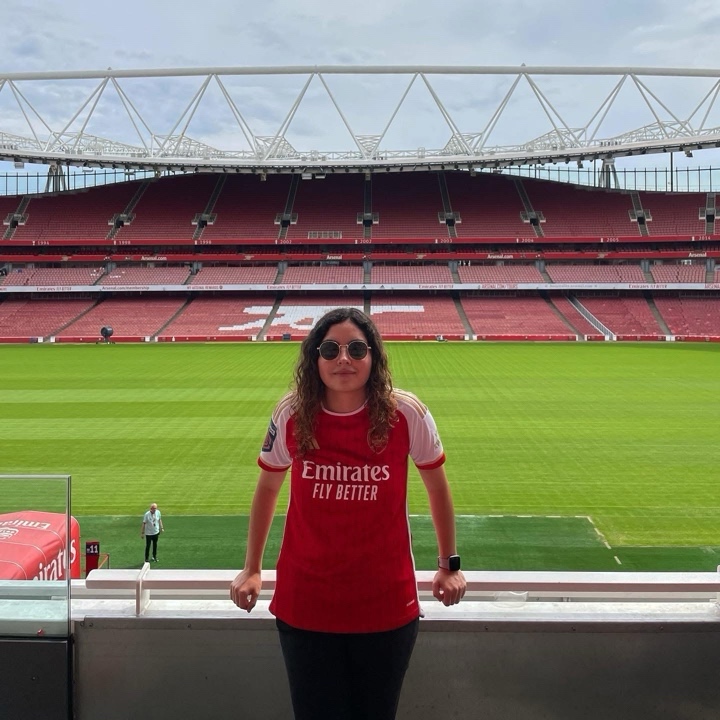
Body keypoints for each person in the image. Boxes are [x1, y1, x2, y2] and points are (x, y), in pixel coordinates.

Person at [230, 307, 466, 720]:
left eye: (357, 348)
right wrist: (252, 569)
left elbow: (438, 487)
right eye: (330, 349)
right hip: (305, 606)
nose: (344, 359)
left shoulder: (407, 413)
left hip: (386, 607)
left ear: (373, 357)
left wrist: (449, 565)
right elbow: (268, 487)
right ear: (314, 358)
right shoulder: (290, 413)